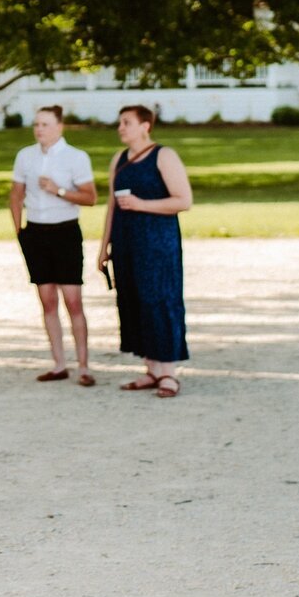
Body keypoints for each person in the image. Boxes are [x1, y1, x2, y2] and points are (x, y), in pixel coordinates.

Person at [98, 104, 194, 397]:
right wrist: (103, 247)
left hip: (157, 242)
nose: (121, 128)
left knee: (159, 299)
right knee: (134, 300)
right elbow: (111, 205)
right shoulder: (120, 159)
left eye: (127, 122)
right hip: (126, 241)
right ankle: (150, 368)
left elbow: (183, 200)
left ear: (145, 126)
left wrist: (142, 205)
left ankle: (169, 373)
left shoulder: (163, 156)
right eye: (120, 123)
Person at [10, 105, 98, 385]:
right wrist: (19, 230)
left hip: (65, 232)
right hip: (35, 232)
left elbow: (90, 197)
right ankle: (59, 363)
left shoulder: (76, 157)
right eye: (36, 124)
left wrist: (58, 190)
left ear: (59, 127)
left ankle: (83, 366)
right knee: (47, 300)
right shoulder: (25, 156)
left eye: (45, 124)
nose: (39, 130)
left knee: (73, 301)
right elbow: (15, 194)